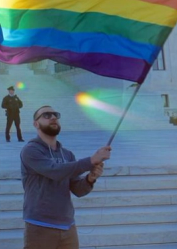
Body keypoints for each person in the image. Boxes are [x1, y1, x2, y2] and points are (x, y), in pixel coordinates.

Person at [20, 105, 111, 249]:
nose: (53, 117)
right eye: (47, 115)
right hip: (40, 225)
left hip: (68, 226)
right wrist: (91, 160)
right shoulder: (31, 150)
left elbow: (78, 190)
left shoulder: (67, 154)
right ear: (36, 124)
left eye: (55, 114)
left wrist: (90, 178)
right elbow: (55, 171)